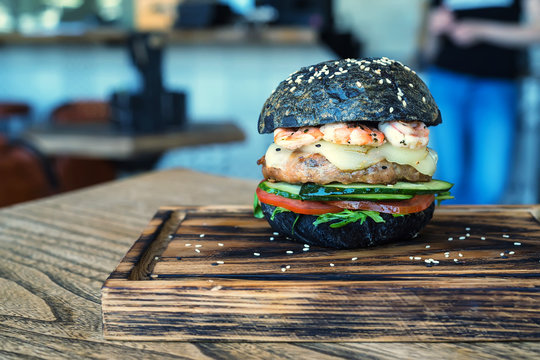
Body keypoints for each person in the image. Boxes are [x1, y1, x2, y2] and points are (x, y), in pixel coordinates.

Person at [423, 0, 540, 204]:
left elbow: (537, 31)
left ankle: (472, 233)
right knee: (448, 178)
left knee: (491, 182)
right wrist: (434, 29)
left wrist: (481, 30)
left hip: (497, 86)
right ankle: (456, 234)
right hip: (445, 82)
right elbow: (428, 50)